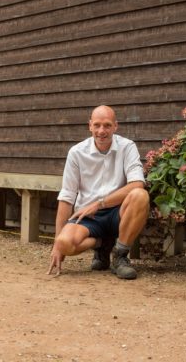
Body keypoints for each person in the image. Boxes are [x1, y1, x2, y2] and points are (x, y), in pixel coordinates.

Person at [47, 105, 149, 279]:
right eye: (97, 125)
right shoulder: (77, 152)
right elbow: (67, 196)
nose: (102, 131)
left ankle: (120, 257)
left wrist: (100, 203)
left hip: (118, 212)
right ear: (90, 126)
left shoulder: (127, 147)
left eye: (107, 125)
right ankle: (103, 244)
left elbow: (137, 183)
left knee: (140, 195)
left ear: (115, 126)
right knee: (64, 243)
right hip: (89, 217)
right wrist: (57, 243)